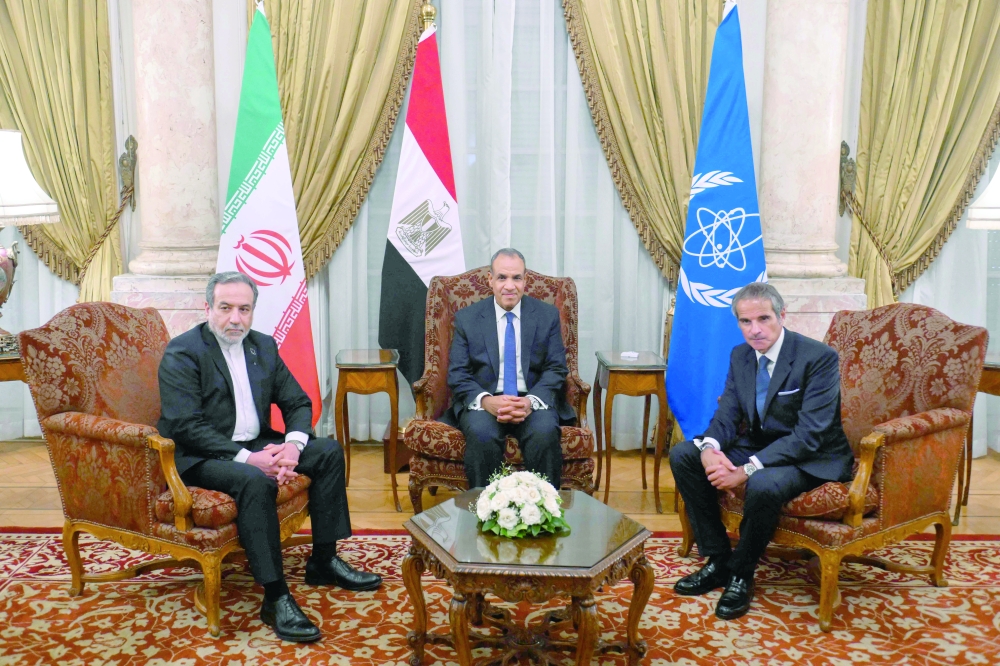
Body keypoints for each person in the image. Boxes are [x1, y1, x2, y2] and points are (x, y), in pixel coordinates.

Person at [157, 271, 382, 643]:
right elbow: (185, 426)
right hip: (201, 456)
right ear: (208, 307)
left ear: (253, 311)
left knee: (325, 451)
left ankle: (323, 560)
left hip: (256, 443)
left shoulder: (261, 345)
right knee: (253, 479)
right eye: (226, 308)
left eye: (244, 309)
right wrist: (249, 458)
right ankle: (275, 595)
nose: (235, 319)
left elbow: (296, 401)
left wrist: (292, 446)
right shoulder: (183, 352)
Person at [669, 282, 853, 620]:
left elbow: (809, 434)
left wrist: (744, 469)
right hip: (761, 445)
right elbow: (728, 414)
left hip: (811, 455)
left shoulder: (818, 357)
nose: (754, 330)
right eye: (745, 322)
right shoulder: (740, 355)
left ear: (782, 315)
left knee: (764, 483)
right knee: (684, 455)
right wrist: (709, 447)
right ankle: (719, 560)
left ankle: (742, 573)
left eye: (763, 319)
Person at [443, 248, 575, 488]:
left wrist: (530, 401)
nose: (510, 286)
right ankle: (484, 510)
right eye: (502, 277)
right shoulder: (468, 318)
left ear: (526, 280)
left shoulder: (546, 316)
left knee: (544, 433)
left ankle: (543, 512)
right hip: (485, 402)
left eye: (517, 278)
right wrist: (485, 401)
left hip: (532, 400)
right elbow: (458, 373)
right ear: (490, 280)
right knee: (483, 435)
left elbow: (556, 369)